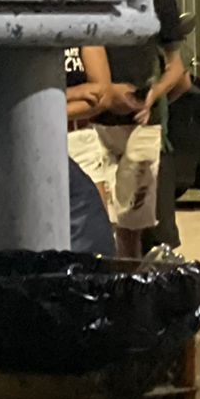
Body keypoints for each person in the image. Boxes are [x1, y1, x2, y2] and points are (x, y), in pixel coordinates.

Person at [76, 0, 191, 259]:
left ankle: (128, 293)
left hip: (140, 125)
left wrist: (153, 94)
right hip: (89, 123)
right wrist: (106, 90)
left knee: (134, 227)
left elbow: (177, 67)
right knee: (98, 225)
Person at [63, 45, 120, 256]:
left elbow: (102, 95)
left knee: (95, 238)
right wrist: (75, 92)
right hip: (38, 139)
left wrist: (49, 106)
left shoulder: (83, 30)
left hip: (80, 139)